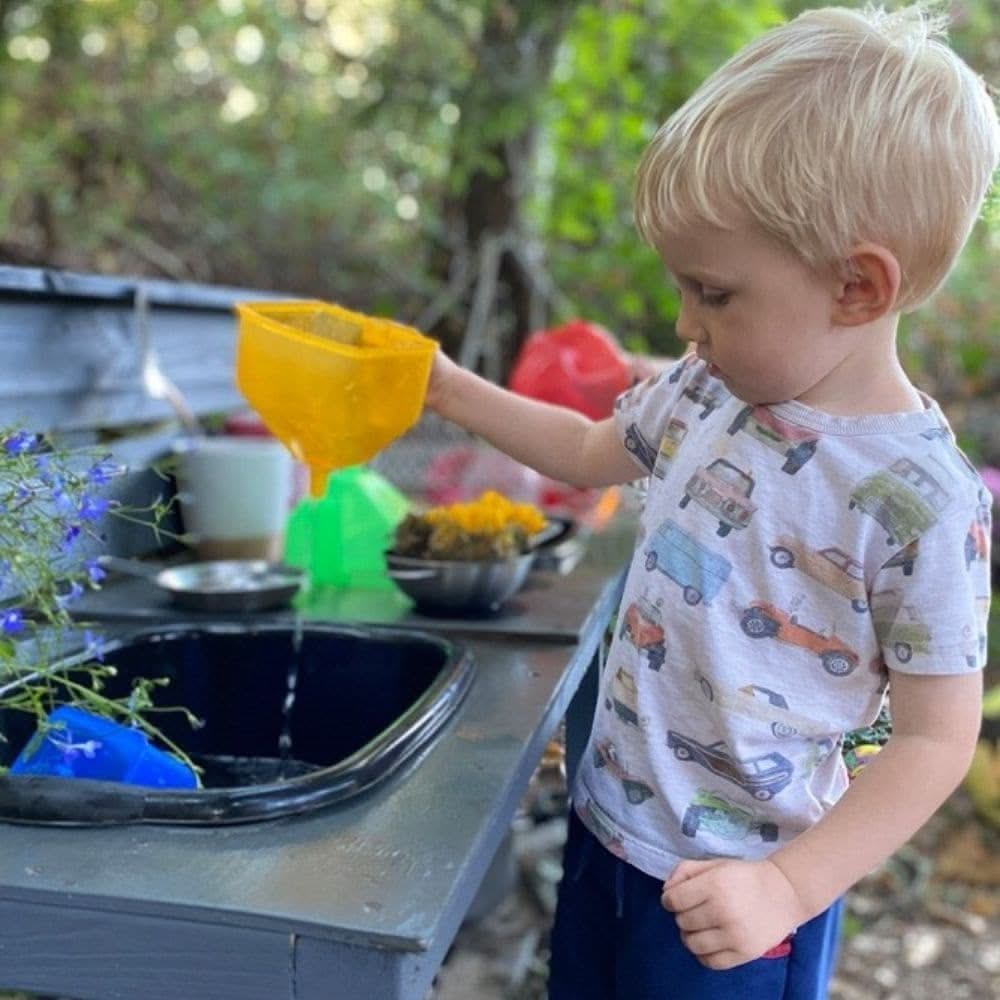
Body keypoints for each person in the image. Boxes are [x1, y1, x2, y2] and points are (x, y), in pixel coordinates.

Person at [422, 4, 998, 997]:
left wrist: (785, 884)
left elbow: (935, 738)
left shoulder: (917, 501)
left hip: (737, 898)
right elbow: (589, 449)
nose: (684, 324)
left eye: (714, 294)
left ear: (856, 288)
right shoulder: (705, 388)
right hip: (609, 832)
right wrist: (444, 386)